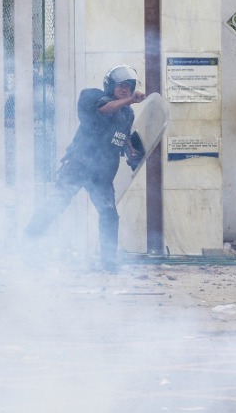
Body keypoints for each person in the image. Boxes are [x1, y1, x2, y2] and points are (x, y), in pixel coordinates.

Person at [23, 65, 146, 270]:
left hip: (103, 173)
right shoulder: (93, 97)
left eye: (129, 86)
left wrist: (131, 150)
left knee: (109, 214)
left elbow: (121, 135)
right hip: (80, 165)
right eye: (120, 85)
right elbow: (104, 110)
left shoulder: (127, 114)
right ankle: (27, 242)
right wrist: (130, 101)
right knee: (57, 203)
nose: (125, 89)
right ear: (110, 86)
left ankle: (109, 263)